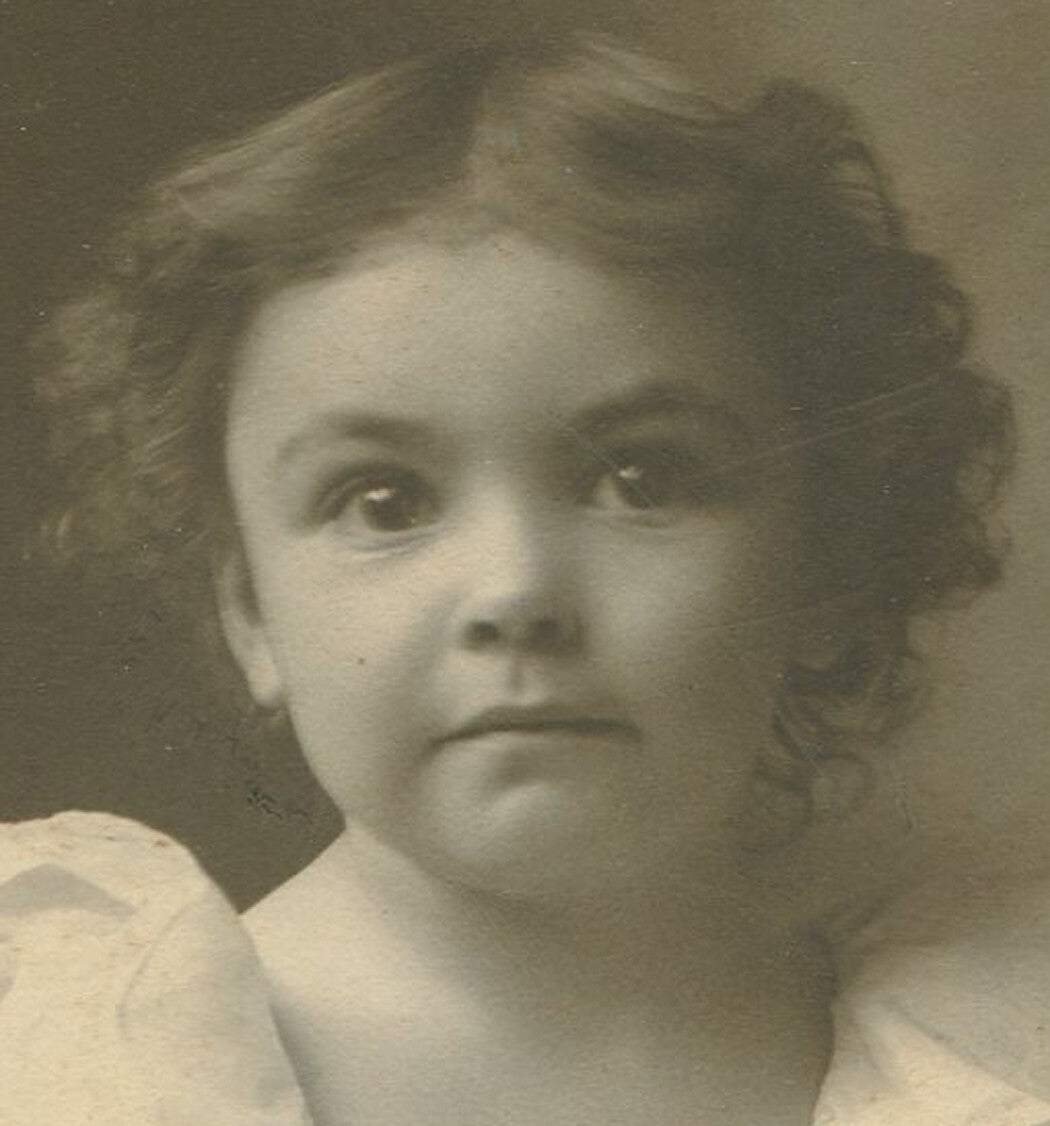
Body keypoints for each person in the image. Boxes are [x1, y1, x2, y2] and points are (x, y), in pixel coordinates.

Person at [1, 34, 1043, 1126]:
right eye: (383, 503)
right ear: (252, 612)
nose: (515, 591)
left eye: (642, 480)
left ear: (821, 568)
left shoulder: (991, 1060)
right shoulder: (94, 1073)